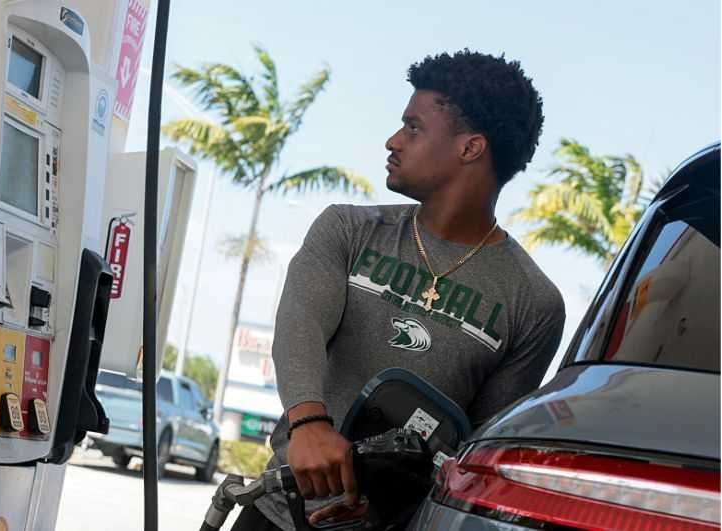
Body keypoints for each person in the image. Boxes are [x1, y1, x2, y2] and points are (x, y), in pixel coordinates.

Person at [230, 49, 566, 531]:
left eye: (413, 127)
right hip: (276, 514)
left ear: (470, 148)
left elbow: (475, 456)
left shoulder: (534, 303)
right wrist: (308, 424)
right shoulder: (347, 229)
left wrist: (384, 509)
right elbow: (299, 325)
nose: (393, 140)